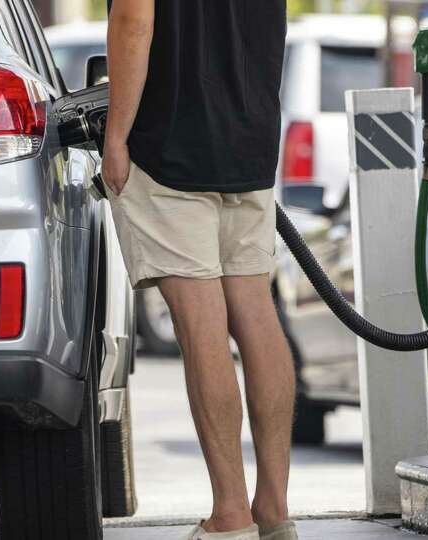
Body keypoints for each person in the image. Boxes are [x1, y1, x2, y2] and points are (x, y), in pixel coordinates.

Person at [103, 1, 296, 539]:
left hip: (171, 149)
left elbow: (133, 19)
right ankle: (275, 510)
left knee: (200, 324)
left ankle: (230, 515)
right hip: (249, 143)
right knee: (257, 314)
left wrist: (115, 137)